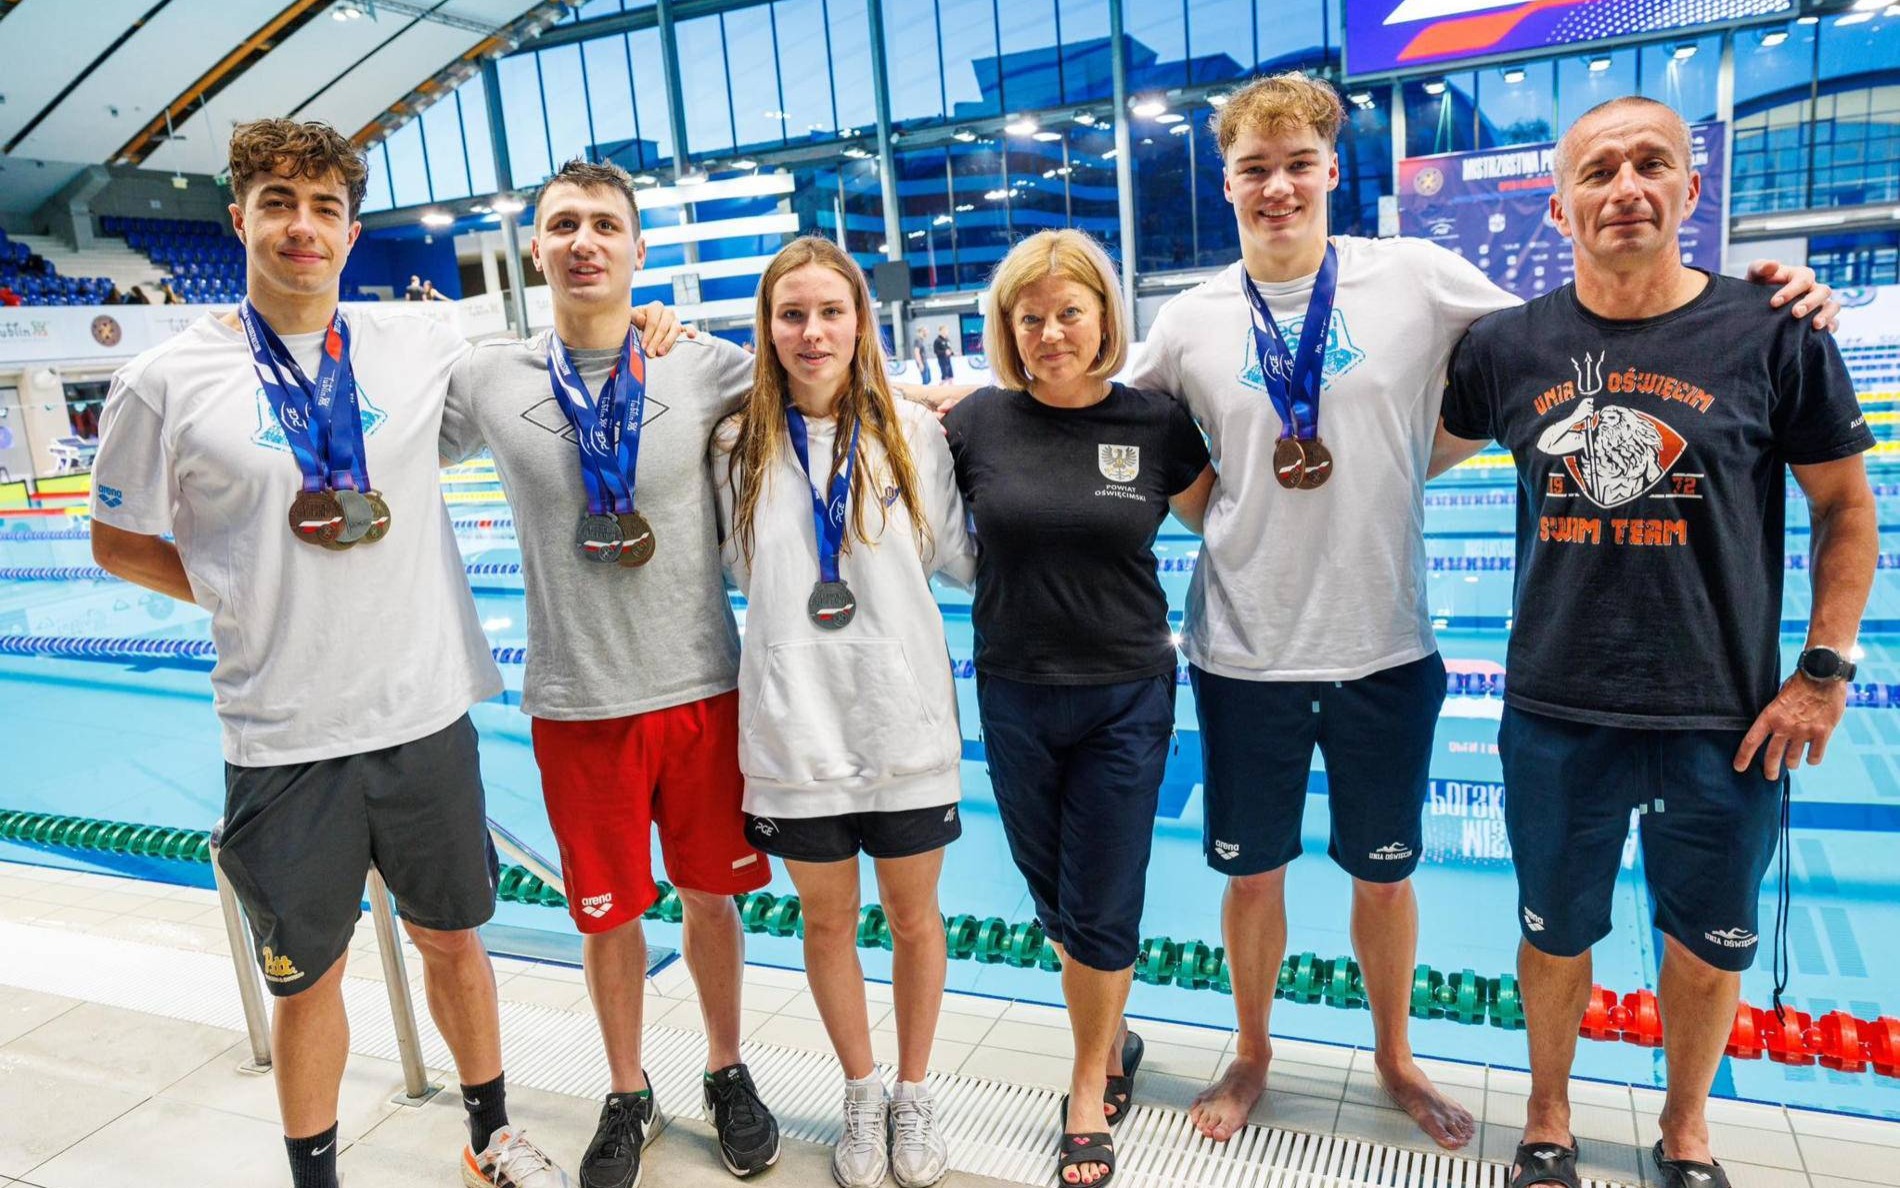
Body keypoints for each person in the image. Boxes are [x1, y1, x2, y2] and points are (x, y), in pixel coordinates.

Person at [1048, 72, 1835, 1150]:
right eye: (1252, 171)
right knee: (1252, 877)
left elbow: (1570, 335)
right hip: (1242, 650)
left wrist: (1774, 293)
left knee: (1386, 876)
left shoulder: (1412, 276)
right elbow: (1101, 415)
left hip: (1385, 647)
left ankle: (1394, 1055)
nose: (1276, 188)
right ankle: (1252, 1051)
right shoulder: (1185, 321)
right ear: (1225, 185)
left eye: (1296, 166)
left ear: (1332, 170)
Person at [87, 119, 570, 1188]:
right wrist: (225, 587)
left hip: (423, 711)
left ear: (350, 232)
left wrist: (659, 328)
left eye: (324, 208)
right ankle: (317, 1177)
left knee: (454, 940)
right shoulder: (167, 381)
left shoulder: (420, 343)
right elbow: (116, 540)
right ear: (240, 220)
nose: (302, 227)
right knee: (307, 978)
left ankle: (490, 1134)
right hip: (281, 731)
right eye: (278, 203)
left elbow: (567, 366)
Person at [1433, 96, 1876, 1188]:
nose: (1624, 186)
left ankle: (1685, 1127)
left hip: (1720, 716)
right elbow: (1394, 452)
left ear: (1689, 190)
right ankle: (1546, 1115)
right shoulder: (1504, 348)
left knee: (1705, 943)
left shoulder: (1776, 334)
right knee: (1553, 933)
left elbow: (1847, 510)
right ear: (1559, 205)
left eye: (1650, 165)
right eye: (1597, 171)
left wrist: (1822, 672)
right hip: (1553, 711)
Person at [441, 157, 783, 1188]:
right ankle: (628, 1089)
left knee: (710, 903)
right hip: (576, 702)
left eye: (603, 225)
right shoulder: (489, 378)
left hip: (702, 693)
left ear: (638, 250)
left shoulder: (704, 364)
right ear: (535, 249)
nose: (583, 241)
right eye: (562, 226)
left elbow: (833, 378)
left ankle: (726, 1069)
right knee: (609, 915)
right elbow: (378, 443)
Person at [943, 229, 1213, 1188]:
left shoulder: (1155, 423)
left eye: (1070, 312)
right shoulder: (978, 421)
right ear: (1008, 330)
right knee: (1056, 901)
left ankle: (1088, 1087)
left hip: (1125, 696)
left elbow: (1234, 515)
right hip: (1014, 693)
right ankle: (1117, 1033)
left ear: (1104, 316)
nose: (1052, 332)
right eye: (1031, 318)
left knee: (1103, 907)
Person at [713, 235, 973, 1188]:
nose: (812, 332)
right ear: (768, 329)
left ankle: (914, 1091)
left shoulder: (916, 430)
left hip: (902, 726)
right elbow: (734, 572)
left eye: (831, 312)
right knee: (827, 926)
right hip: (793, 730)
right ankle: (860, 1092)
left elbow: (961, 559)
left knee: (915, 920)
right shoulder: (735, 441)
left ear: (861, 320)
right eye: (792, 314)